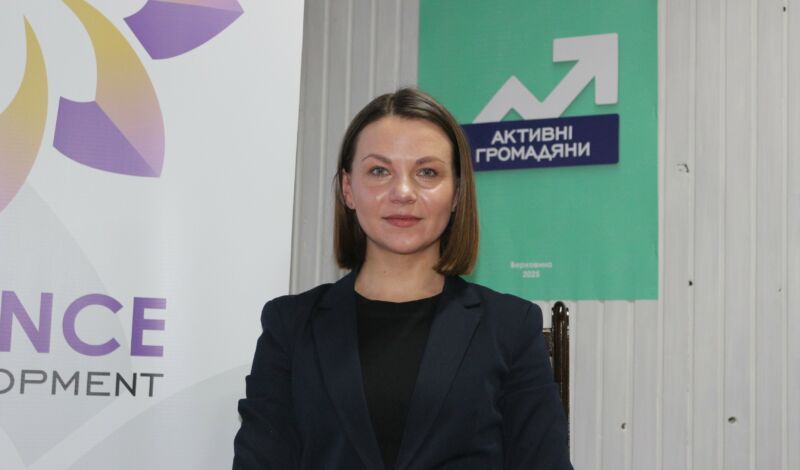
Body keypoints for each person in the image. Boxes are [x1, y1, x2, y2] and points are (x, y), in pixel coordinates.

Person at [233, 88, 573, 470]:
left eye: (427, 172)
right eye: (379, 171)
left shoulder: (511, 327)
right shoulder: (289, 325)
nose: (403, 192)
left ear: (457, 193)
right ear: (348, 189)